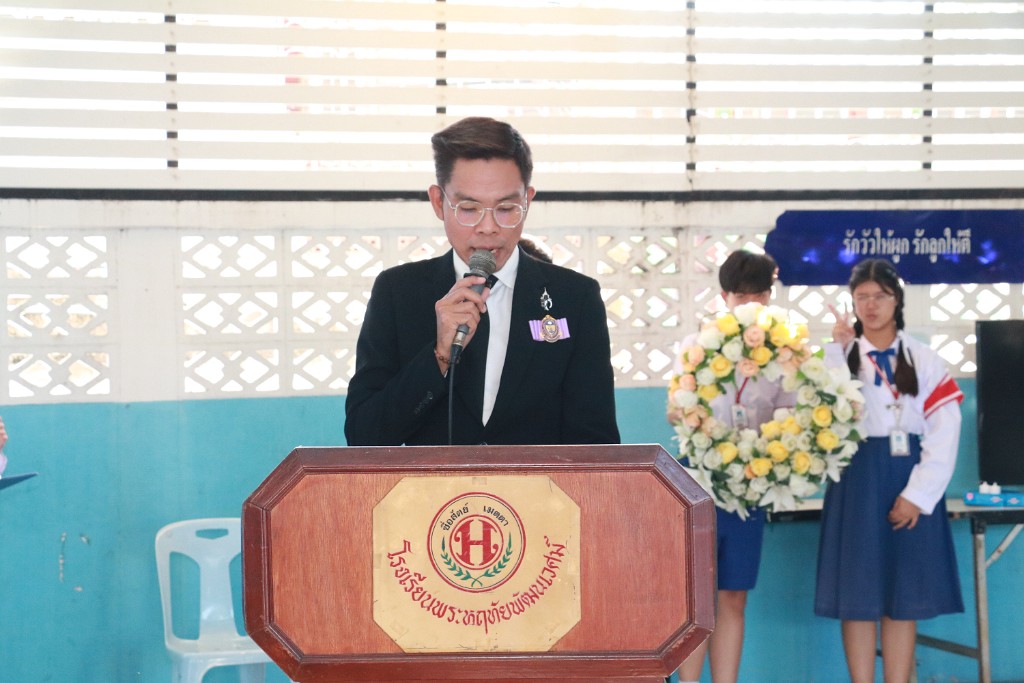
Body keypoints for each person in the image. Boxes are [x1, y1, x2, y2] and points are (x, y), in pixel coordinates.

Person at [344, 116, 619, 446]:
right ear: (438, 202)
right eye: (469, 208)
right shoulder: (398, 292)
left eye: (506, 208)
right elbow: (364, 436)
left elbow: (597, 445)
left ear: (527, 201)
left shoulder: (575, 298)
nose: (488, 228)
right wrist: (439, 355)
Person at [815, 259, 964, 683]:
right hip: (856, 481)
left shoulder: (924, 358)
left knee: (903, 595)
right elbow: (819, 421)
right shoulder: (838, 356)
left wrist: (918, 495)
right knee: (857, 596)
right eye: (862, 297)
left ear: (897, 300)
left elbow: (945, 431)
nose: (871, 305)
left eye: (879, 296)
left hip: (908, 478)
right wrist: (835, 353)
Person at [670, 250, 792, 683]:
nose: (751, 305)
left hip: (749, 482)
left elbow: (789, 416)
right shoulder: (697, 344)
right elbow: (675, 409)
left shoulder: (783, 352)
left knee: (733, 597)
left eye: (759, 296)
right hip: (699, 480)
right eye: (742, 297)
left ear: (770, 297)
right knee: (695, 600)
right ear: (724, 297)